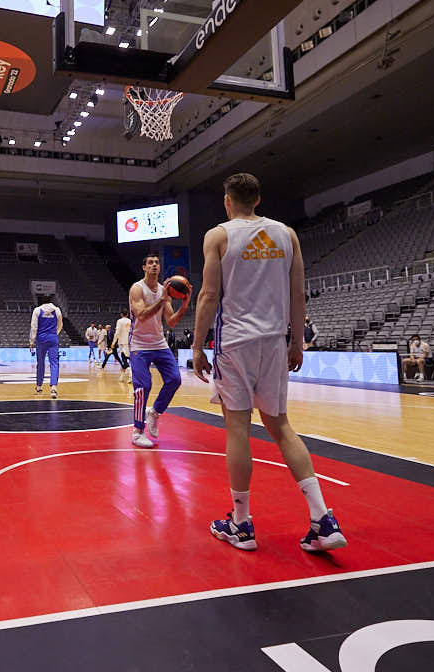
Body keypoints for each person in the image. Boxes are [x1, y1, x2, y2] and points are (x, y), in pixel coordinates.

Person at [191, 173, 347, 553]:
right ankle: (321, 518)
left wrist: (197, 346)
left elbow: (209, 295)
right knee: (280, 426)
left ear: (228, 201)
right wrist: (297, 341)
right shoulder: (287, 234)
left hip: (236, 343)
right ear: (258, 200)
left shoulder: (218, 236)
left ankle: (241, 524)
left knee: (238, 429)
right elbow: (297, 293)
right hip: (275, 342)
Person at [129, 254, 192, 448]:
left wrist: (184, 306)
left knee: (175, 379)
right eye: (150, 263)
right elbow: (141, 314)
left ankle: (154, 412)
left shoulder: (165, 290)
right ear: (144, 268)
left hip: (159, 343)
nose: (154, 265)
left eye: (157, 262)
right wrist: (162, 300)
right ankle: (137, 431)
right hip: (139, 344)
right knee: (143, 387)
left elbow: (171, 321)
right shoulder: (137, 288)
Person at [30, 295, 63, 398]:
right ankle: (53, 388)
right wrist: (55, 334)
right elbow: (60, 325)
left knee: (40, 363)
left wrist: (31, 341)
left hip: (41, 339)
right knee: (54, 363)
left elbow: (34, 327)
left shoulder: (37, 310)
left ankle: (39, 386)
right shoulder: (57, 310)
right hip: (53, 339)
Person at [109, 309, 132, 383]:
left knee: (124, 360)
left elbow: (117, 332)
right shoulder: (130, 321)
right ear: (127, 314)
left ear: (121, 314)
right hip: (130, 343)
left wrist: (113, 343)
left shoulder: (119, 321)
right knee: (127, 360)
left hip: (122, 343)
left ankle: (131, 375)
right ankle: (121, 377)